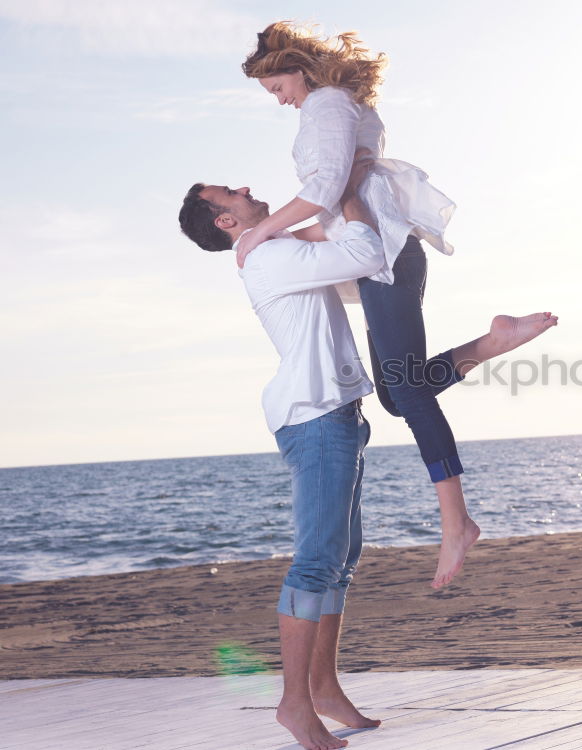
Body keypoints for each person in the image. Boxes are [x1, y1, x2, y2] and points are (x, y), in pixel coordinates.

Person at [237, 21, 558, 588]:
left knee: (406, 391)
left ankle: (456, 523)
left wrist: (262, 233)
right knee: (393, 394)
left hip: (388, 259)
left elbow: (326, 190)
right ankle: (492, 342)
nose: (280, 101)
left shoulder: (328, 104)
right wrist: (284, 235)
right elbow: (341, 206)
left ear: (293, 68)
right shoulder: (336, 107)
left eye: (276, 88)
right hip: (386, 258)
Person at [177, 156, 379, 749]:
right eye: (229, 193)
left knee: (342, 556)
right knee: (317, 560)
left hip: (336, 412)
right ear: (223, 222)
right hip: (315, 418)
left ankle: (323, 688)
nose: (244, 187)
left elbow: (353, 279)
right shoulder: (265, 254)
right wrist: (344, 190)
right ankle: (294, 704)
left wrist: (315, 219)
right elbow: (365, 255)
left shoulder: (275, 247)